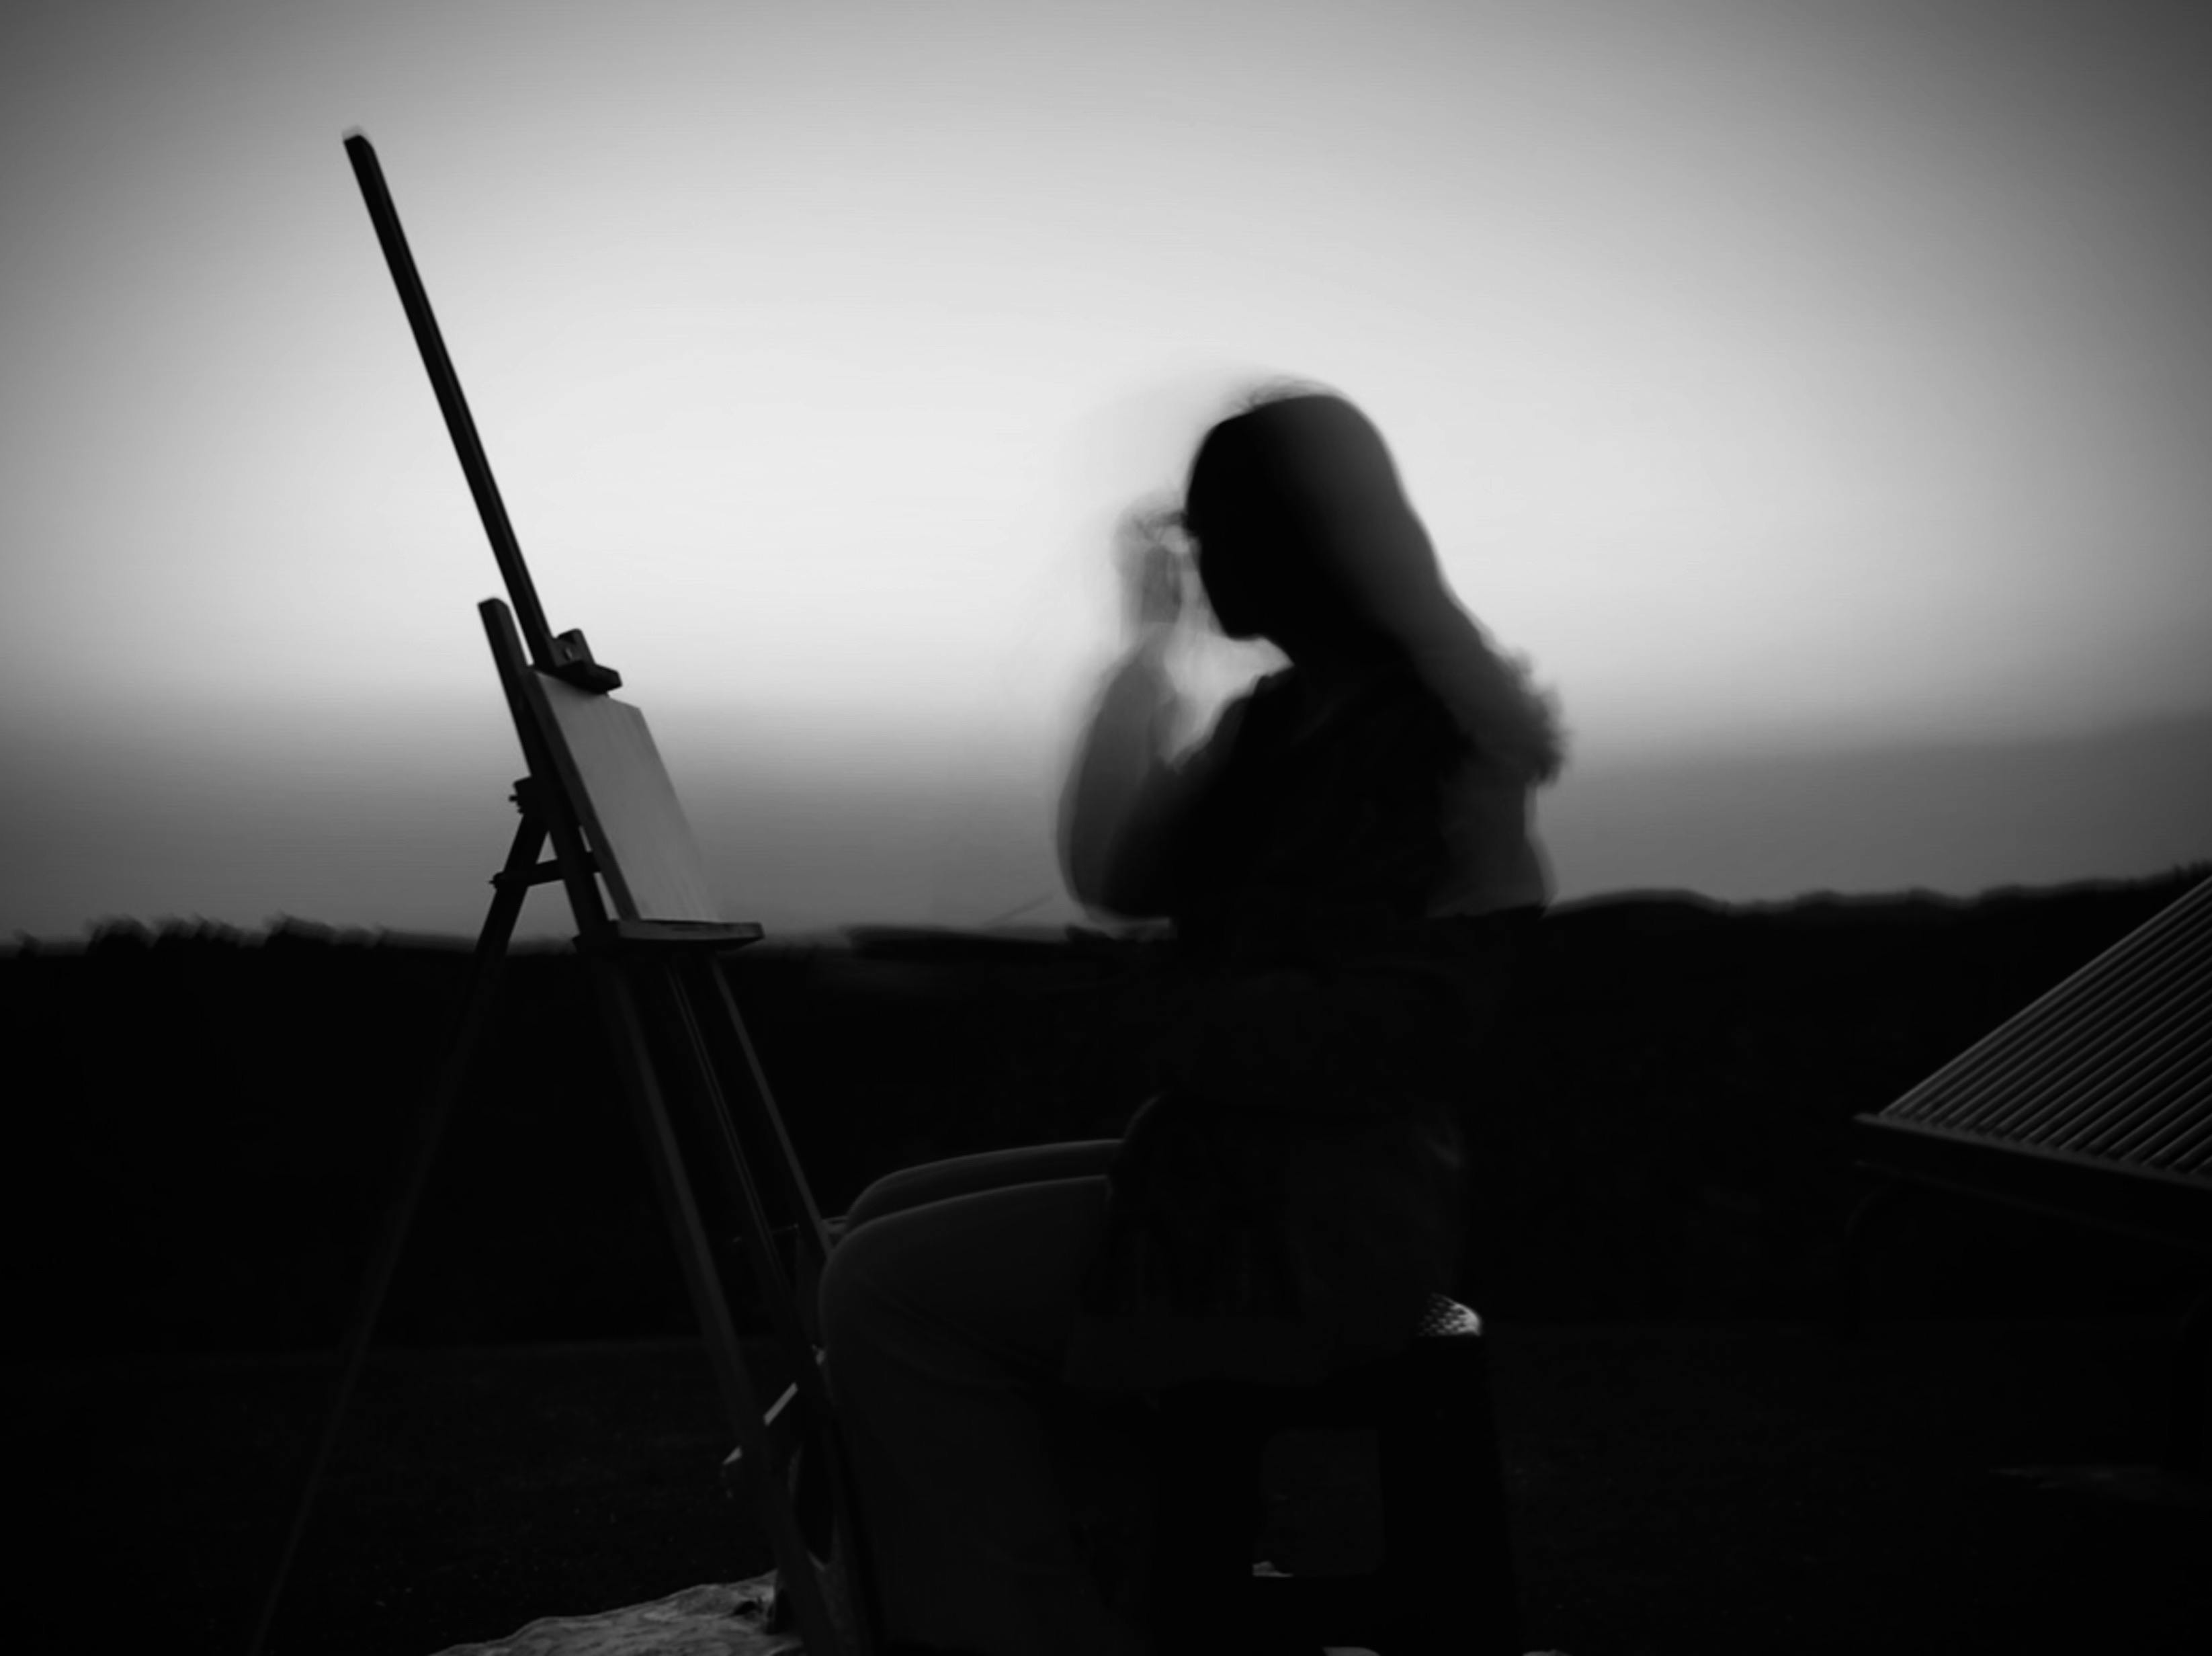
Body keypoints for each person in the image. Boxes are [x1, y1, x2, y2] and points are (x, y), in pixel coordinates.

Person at [813, 385, 1566, 1656]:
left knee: (881, 1288)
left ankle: (1022, 1629)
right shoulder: (1285, 721)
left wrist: (1164, 1013)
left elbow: (1408, 1032)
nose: (1197, 559)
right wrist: (1143, 655)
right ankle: (1069, 1582)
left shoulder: (1439, 740)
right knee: (880, 1214)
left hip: (1331, 1215)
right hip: (1253, 1176)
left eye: (1212, 532)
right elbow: (1122, 875)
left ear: (1290, 541)